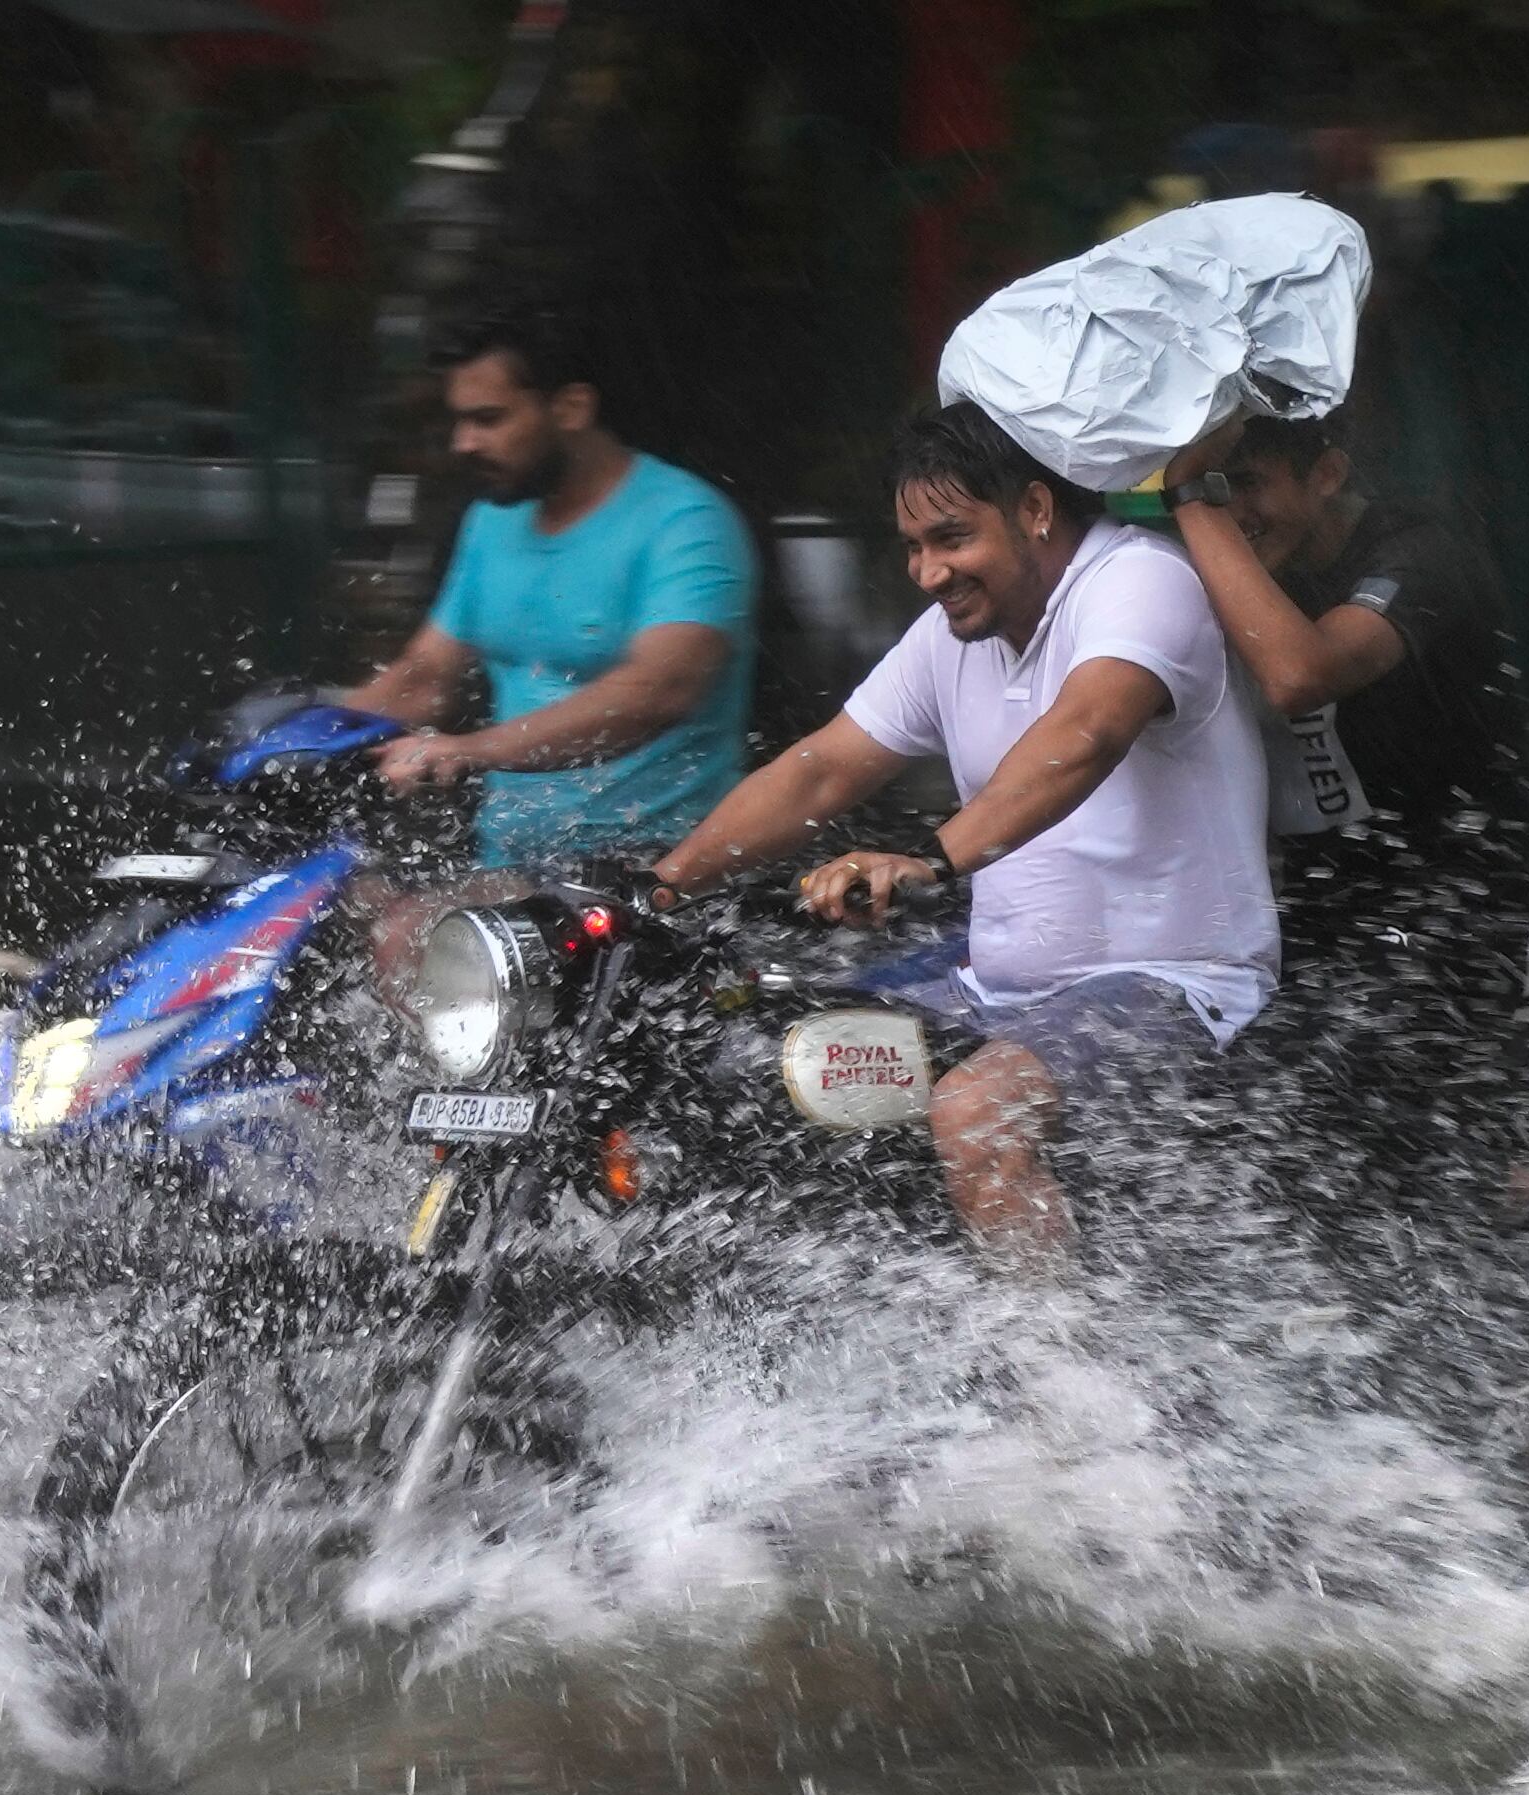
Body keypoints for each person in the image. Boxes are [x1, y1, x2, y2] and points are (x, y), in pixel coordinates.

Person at [650, 401, 1277, 1269]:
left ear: (1034, 509)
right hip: (994, 995)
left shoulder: (1138, 579)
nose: (927, 571)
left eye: (950, 538)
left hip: (1176, 985)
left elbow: (1085, 733)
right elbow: (820, 771)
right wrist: (663, 890)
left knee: (976, 1110)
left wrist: (931, 858)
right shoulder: (954, 634)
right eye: (911, 547)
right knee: (760, 1073)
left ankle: (1067, 1390)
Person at [1157, 409, 1529, 1179]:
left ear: (1327, 474)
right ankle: (1498, 1127)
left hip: (1446, 890)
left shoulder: (1420, 552)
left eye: (1247, 484)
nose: (1231, 511)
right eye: (1213, 486)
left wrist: (1186, 498)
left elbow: (1302, 674)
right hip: (1317, 892)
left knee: (1373, 1123)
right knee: (1311, 1143)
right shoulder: (1241, 558)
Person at [339, 304, 759, 869]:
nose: (463, 443)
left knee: (398, 932)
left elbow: (658, 690)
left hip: (658, 879)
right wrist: (297, 724)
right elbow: (426, 680)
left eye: (488, 420)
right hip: (508, 871)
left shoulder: (686, 523)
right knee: (336, 905)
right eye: (459, 421)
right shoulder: (491, 519)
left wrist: (465, 751)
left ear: (571, 408)